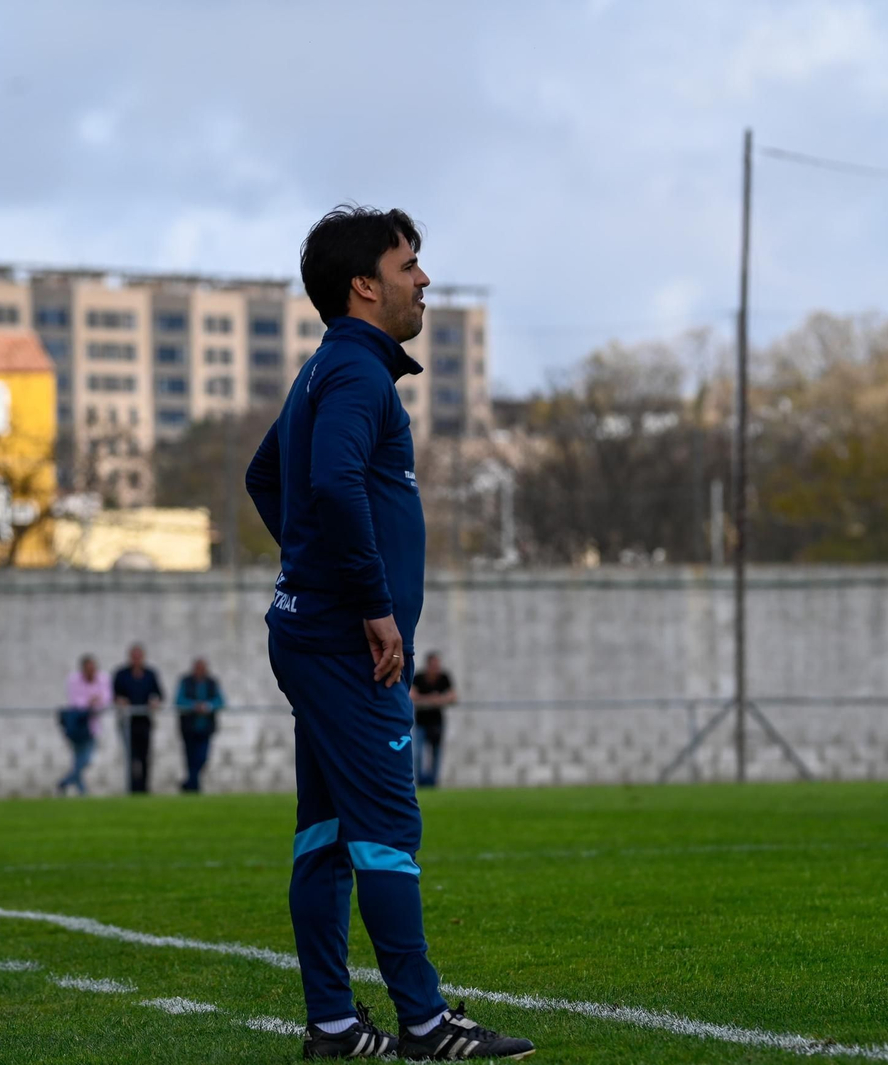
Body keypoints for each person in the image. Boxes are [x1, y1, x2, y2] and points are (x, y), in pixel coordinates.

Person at [246, 206, 533, 1059]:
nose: (425, 279)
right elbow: (329, 483)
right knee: (386, 830)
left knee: (327, 832)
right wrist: (366, 601)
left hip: (315, 630)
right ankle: (424, 1022)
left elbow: (267, 475)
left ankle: (334, 1024)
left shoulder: (328, 369)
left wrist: (310, 567)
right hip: (343, 641)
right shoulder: (358, 375)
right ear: (364, 285)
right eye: (410, 263)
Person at [113, 644, 163, 794]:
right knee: (131, 757)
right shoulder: (121, 674)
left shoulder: (150, 674)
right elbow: (113, 694)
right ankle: (132, 788)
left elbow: (160, 694)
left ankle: (144, 789)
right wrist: (120, 701)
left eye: (139, 656)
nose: (136, 659)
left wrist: (154, 702)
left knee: (145, 756)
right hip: (127, 723)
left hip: (144, 721)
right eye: (134, 656)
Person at [58, 654, 110, 796]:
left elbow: (105, 699)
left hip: (92, 726)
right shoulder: (74, 680)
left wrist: (92, 703)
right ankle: (82, 791)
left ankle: (65, 782)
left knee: (86, 759)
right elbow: (75, 701)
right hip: (77, 726)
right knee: (78, 760)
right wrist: (90, 702)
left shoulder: (103, 679)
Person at [175, 658, 225, 793]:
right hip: (188, 728)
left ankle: (189, 784)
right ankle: (193, 788)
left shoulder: (211, 683)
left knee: (202, 758)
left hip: (206, 728)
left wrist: (208, 706)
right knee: (190, 759)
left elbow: (220, 701)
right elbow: (179, 700)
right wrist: (193, 706)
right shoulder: (185, 682)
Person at [411, 653, 456, 789]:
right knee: (418, 752)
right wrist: (433, 699)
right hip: (421, 723)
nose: (436, 667)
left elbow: (453, 697)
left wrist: (433, 700)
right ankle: (419, 781)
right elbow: (412, 696)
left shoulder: (444, 677)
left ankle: (432, 782)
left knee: (436, 753)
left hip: (437, 723)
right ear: (428, 665)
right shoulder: (419, 677)